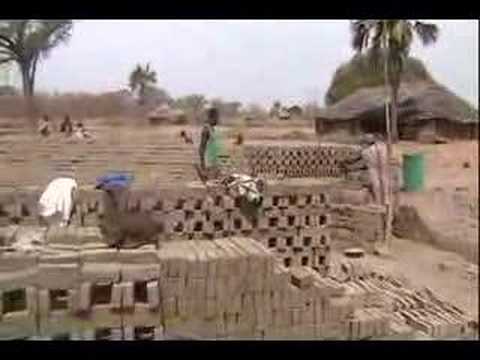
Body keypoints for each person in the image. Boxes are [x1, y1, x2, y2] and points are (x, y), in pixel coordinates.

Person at [198, 106, 223, 178]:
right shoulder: (206, 129)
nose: (218, 120)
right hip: (209, 163)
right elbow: (201, 148)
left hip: (214, 161)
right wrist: (203, 165)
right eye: (217, 118)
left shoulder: (212, 129)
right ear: (212, 117)